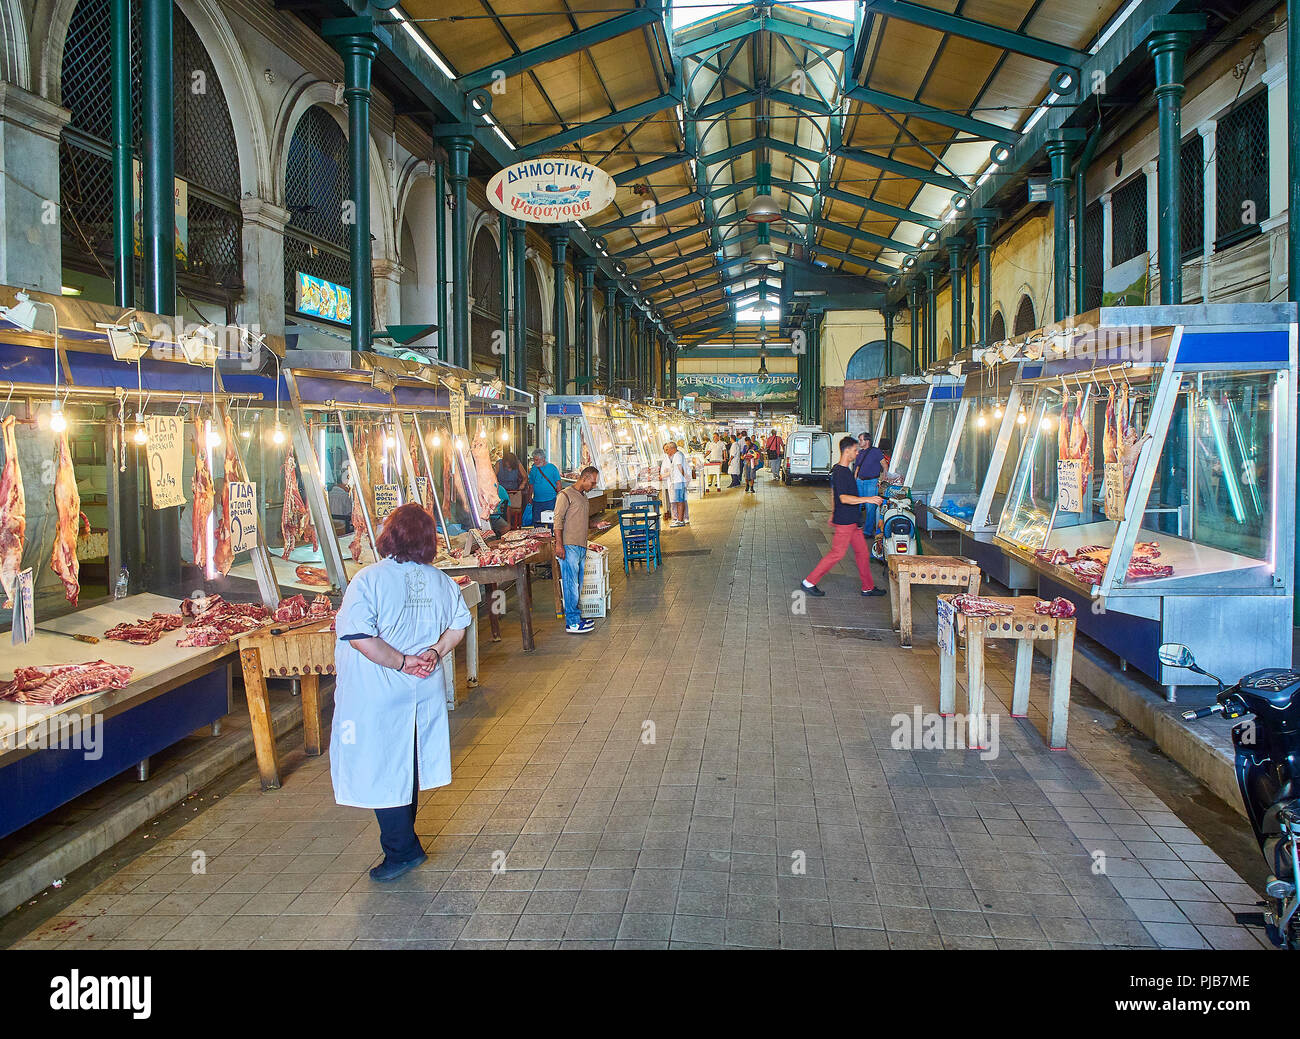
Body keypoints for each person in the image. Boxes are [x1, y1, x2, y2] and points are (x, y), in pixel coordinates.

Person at [330, 503, 472, 882]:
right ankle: (405, 845)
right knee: (405, 767)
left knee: (385, 772)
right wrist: (433, 653)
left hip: (379, 693)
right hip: (421, 691)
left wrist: (400, 661)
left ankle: (402, 852)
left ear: (389, 536)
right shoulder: (439, 580)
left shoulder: (369, 579)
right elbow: (460, 625)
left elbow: (360, 637)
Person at [799, 436, 886, 598]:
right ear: (847, 451)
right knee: (837, 554)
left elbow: (834, 494)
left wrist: (833, 512)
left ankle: (868, 587)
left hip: (853, 521)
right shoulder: (840, 472)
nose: (857, 453)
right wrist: (868, 499)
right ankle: (809, 582)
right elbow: (843, 498)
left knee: (862, 553)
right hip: (846, 521)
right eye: (855, 450)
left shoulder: (846, 471)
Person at [554, 465, 599, 634]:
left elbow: (580, 520)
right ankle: (572, 622)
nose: (593, 486)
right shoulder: (565, 495)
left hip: (581, 545)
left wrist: (596, 524)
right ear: (584, 478)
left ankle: (576, 616)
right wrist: (559, 545)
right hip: (569, 545)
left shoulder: (583, 496)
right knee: (570, 583)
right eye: (592, 482)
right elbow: (557, 521)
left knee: (577, 584)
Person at [853, 432, 886, 536]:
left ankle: (867, 531)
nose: (859, 442)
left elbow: (884, 465)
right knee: (856, 504)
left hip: (872, 482)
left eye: (861, 440)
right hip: (860, 481)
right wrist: (855, 480)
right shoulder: (860, 453)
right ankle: (857, 526)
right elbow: (857, 467)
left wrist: (881, 479)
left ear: (867, 441)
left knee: (870, 507)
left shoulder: (876, 452)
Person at [495, 450, 529, 530]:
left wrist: (522, 485)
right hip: (501, 492)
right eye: (506, 463)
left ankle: (512, 526)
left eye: (509, 463)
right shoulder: (499, 464)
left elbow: (525, 477)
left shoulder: (517, 464)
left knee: (513, 510)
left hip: (514, 492)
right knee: (502, 511)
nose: (508, 465)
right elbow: (493, 476)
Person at [527, 448, 561, 528]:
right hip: (537, 501)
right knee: (538, 524)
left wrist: (559, 498)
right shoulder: (533, 469)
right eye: (534, 460)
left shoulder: (552, 468)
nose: (535, 462)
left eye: (537, 460)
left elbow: (558, 484)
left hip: (550, 500)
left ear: (543, 459)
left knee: (551, 523)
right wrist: (529, 497)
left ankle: (552, 539)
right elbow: (531, 485)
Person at [662, 441, 690, 526]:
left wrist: (685, 476)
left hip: (678, 481)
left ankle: (681, 520)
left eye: (668, 449)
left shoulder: (677, 455)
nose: (668, 451)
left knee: (680, 501)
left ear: (672, 448)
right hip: (677, 481)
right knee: (678, 501)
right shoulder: (676, 455)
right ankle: (679, 519)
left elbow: (679, 467)